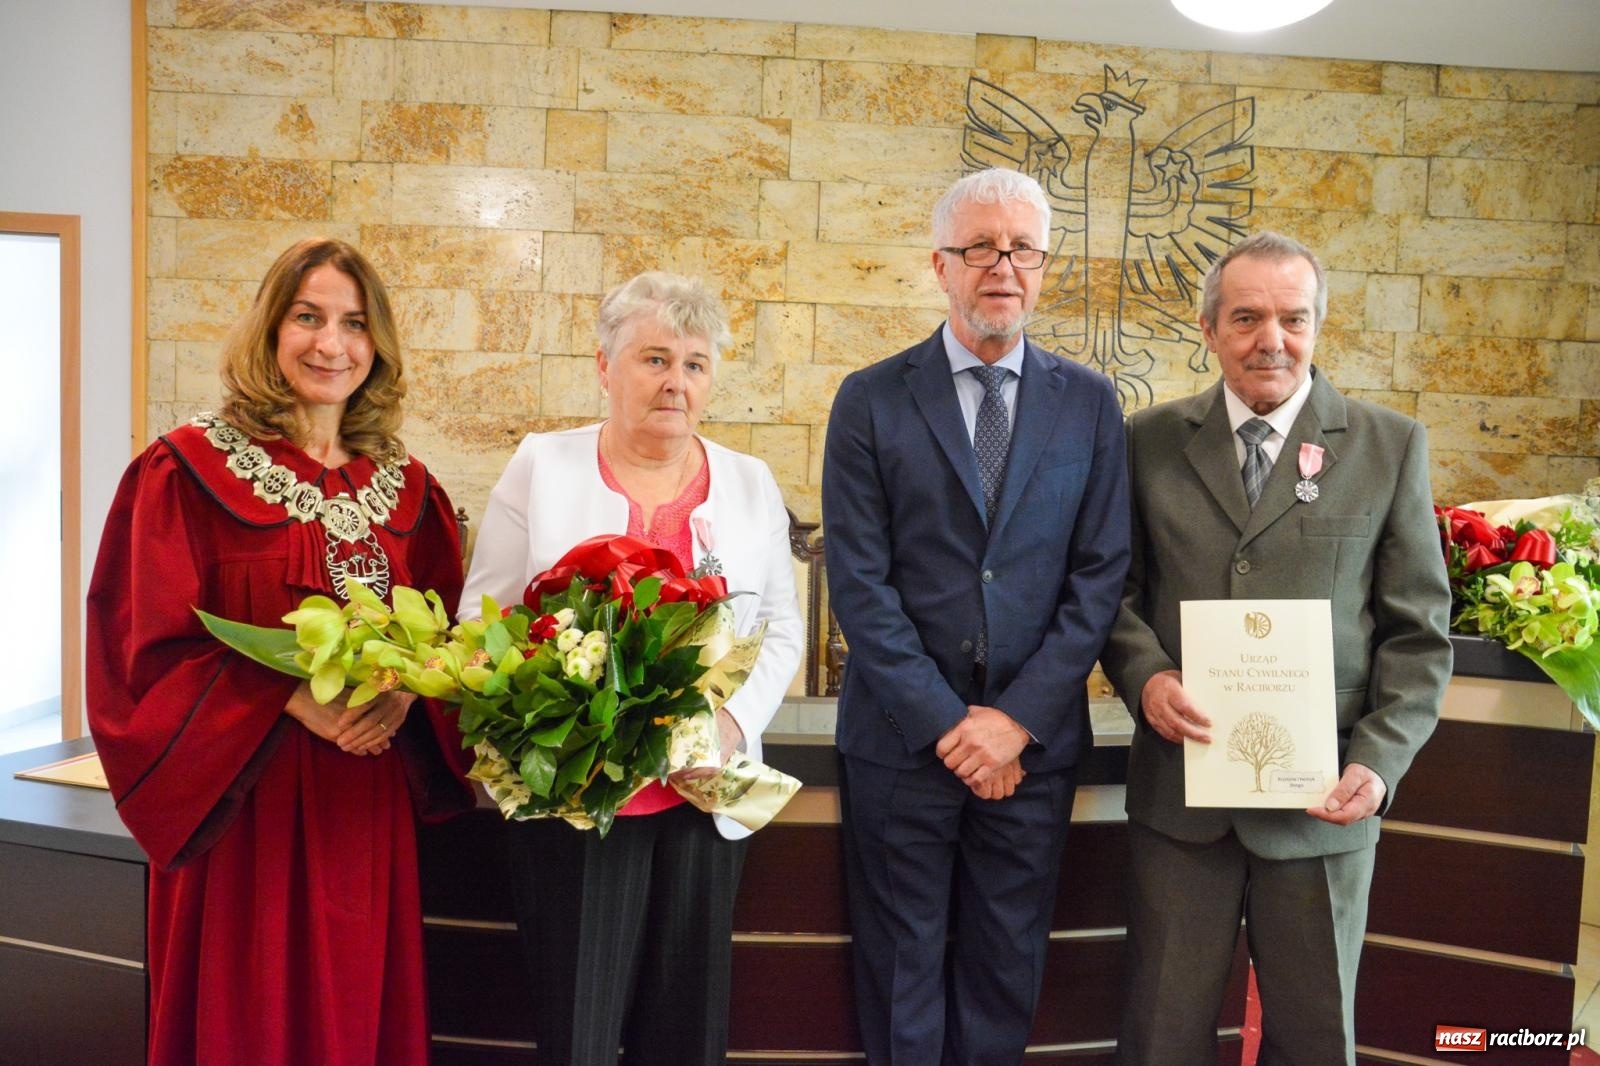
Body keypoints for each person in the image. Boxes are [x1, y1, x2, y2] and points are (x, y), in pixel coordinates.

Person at [86, 238, 474, 1065]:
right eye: (308, 317)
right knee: (249, 1016)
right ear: (270, 329)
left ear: (378, 344)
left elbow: (449, 635)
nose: (332, 344)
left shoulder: (408, 490)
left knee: (356, 1010)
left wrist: (407, 691)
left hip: (362, 806)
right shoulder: (184, 471)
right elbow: (139, 647)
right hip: (239, 807)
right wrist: (293, 697)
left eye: (354, 323)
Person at [1098, 231, 1453, 1065]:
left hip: (1323, 806)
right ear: (1209, 328)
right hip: (1182, 802)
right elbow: (1112, 594)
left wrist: (1379, 762)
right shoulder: (1145, 441)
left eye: (1294, 318)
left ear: (1317, 325)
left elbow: (1417, 633)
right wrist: (1146, 677)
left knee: (1316, 1038)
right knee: (1160, 1035)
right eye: (1247, 317)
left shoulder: (1389, 446)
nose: (1273, 340)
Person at [821, 167, 1132, 1063]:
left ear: (1044, 266)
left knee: (1005, 969)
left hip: (1032, 751)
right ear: (941, 265)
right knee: (900, 973)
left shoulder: (1091, 403)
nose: (1004, 266)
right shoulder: (870, 398)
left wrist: (1014, 723)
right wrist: (950, 726)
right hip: (901, 742)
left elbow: (1099, 575)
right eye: (981, 248)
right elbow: (860, 584)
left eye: (1023, 249)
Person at [458, 270, 803, 1066]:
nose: (675, 382)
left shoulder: (750, 482)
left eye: (694, 363)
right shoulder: (544, 465)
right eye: (654, 359)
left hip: (703, 798)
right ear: (604, 366)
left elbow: (782, 627)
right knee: (578, 1030)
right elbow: (485, 620)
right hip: (574, 800)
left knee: (687, 1034)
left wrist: (730, 723)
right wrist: (556, 703)